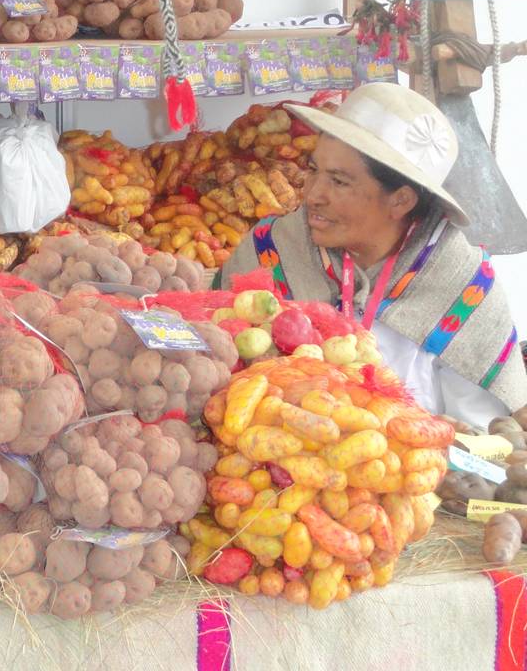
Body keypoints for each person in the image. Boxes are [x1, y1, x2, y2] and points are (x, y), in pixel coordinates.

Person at [222, 82, 526, 425]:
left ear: (400, 200)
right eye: (314, 170)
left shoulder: (461, 280)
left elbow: (483, 435)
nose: (313, 195)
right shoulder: (271, 249)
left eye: (339, 181)